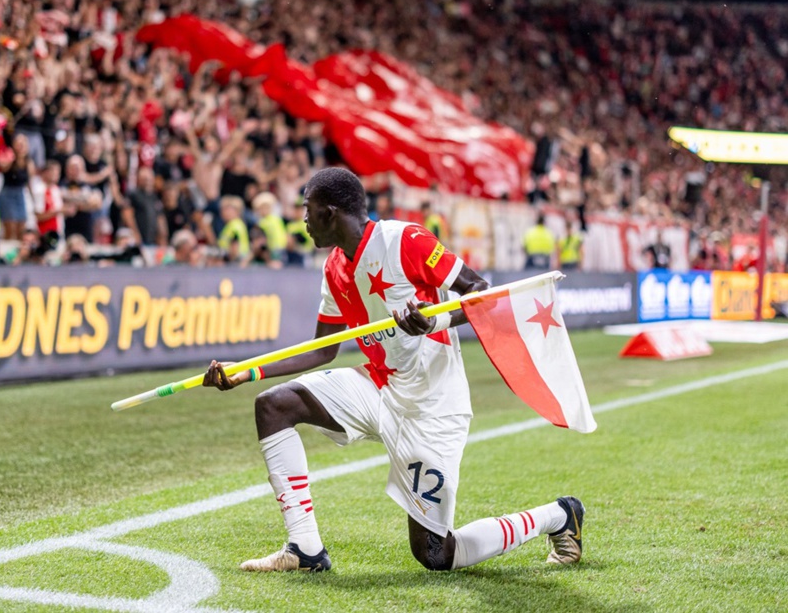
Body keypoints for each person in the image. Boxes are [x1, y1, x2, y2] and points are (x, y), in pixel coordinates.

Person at [203, 168, 584, 573]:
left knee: (436, 554)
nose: (303, 220)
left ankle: (560, 515)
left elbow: (482, 294)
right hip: (379, 388)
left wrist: (433, 322)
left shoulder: (406, 239)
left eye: (307, 209)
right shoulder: (333, 268)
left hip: (434, 405)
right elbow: (322, 350)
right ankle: (305, 550)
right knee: (275, 406)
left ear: (330, 213)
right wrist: (248, 371)